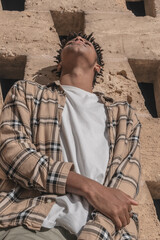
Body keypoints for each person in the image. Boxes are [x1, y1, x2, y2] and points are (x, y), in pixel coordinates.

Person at [0, 32, 141, 240]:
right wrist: (89, 188)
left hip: (104, 233)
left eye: (87, 42)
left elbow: (124, 187)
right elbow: (13, 153)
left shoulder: (124, 116)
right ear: (59, 65)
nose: (79, 40)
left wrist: (93, 234)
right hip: (35, 224)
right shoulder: (28, 93)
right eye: (72, 41)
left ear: (97, 67)